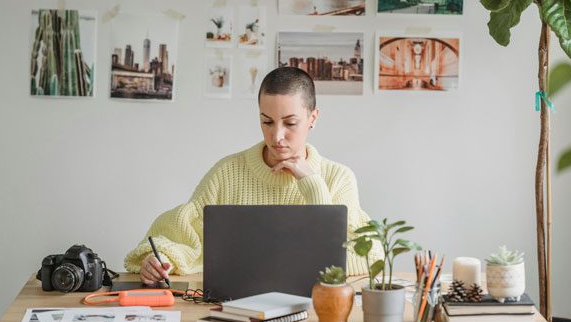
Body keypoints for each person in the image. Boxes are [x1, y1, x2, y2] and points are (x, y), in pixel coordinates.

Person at [125, 67, 381, 285]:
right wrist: (159, 261)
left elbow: (369, 256)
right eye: (267, 122)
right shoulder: (227, 172)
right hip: (234, 306)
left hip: (313, 308)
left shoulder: (338, 177)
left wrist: (311, 182)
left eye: (290, 123)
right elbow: (184, 236)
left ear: (313, 118)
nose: (277, 136)